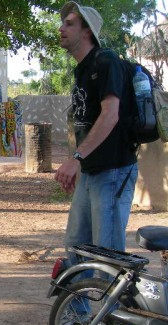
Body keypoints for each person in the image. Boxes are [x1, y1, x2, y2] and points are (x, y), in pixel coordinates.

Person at [55, 2, 138, 265]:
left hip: (113, 172)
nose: (61, 29)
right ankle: (76, 307)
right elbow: (86, 124)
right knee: (76, 249)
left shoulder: (106, 61)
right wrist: (79, 165)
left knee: (107, 255)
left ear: (87, 31)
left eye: (69, 24)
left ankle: (112, 307)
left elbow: (110, 115)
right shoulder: (82, 69)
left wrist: (75, 158)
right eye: (63, 23)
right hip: (90, 172)